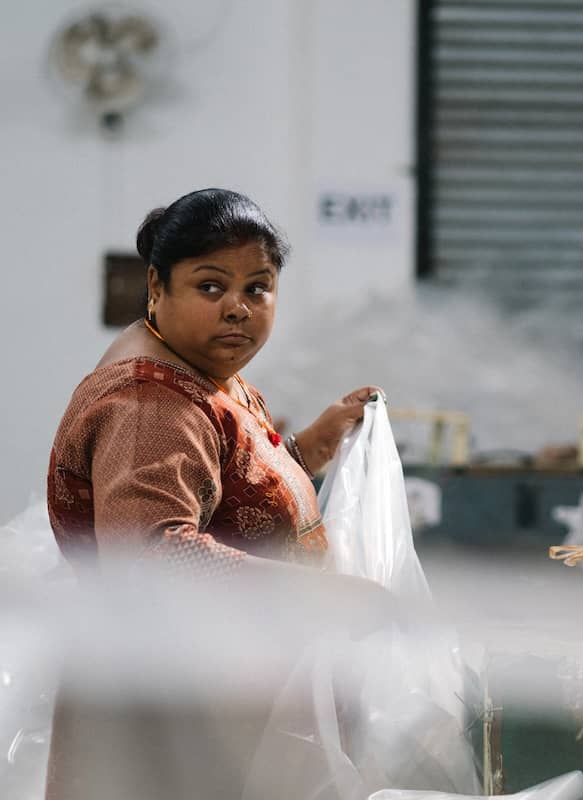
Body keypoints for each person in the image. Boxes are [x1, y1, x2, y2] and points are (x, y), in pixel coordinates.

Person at [44, 188, 398, 800]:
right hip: (175, 711)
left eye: (258, 289)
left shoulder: (205, 373)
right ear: (157, 286)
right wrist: (324, 594)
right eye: (210, 286)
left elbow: (229, 490)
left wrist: (313, 445)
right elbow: (151, 554)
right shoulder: (149, 403)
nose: (237, 308)